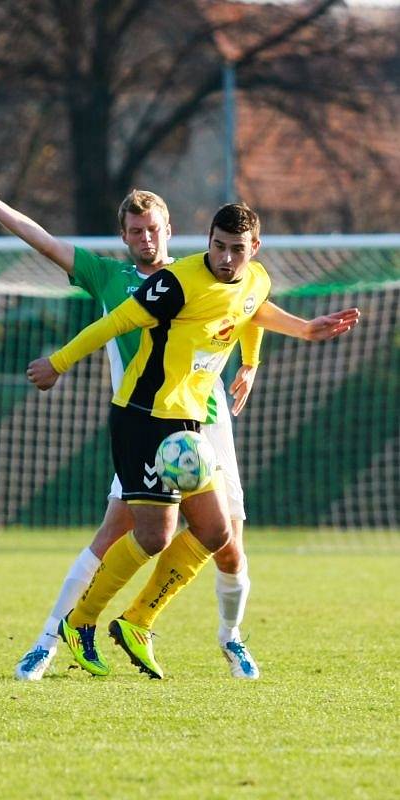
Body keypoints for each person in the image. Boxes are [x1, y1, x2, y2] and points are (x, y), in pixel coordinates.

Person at [0, 167, 264, 680]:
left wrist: (249, 360)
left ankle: (228, 638)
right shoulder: (110, 277)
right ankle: (48, 640)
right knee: (117, 531)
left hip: (208, 423)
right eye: (136, 231)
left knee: (228, 545)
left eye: (153, 228)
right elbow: (44, 241)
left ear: (170, 229)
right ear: (124, 236)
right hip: (147, 422)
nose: (146, 238)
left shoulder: (201, 274)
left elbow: (251, 304)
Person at [26, 203, 359, 679]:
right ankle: (79, 622)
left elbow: (250, 310)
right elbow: (114, 323)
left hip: (188, 425)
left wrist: (294, 335)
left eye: (236, 250)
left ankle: (139, 621)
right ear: (207, 240)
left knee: (217, 532)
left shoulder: (255, 276)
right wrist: (58, 363)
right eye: (219, 246)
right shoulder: (176, 283)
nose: (226, 258)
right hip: (143, 417)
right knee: (152, 535)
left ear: (254, 249)